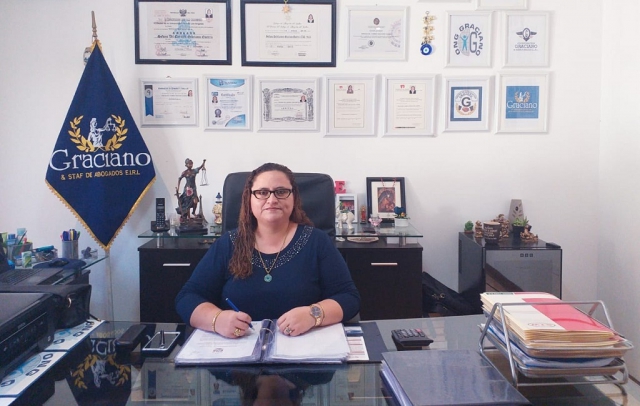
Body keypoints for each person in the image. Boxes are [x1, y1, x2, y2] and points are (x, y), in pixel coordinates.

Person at [175, 163, 360, 339]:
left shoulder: (317, 242)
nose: (272, 200)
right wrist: (216, 320)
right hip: (237, 353)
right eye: (262, 192)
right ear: (249, 199)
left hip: (303, 351)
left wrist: (313, 315)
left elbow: (349, 298)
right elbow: (187, 298)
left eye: (281, 192)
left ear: (294, 197)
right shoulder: (228, 244)